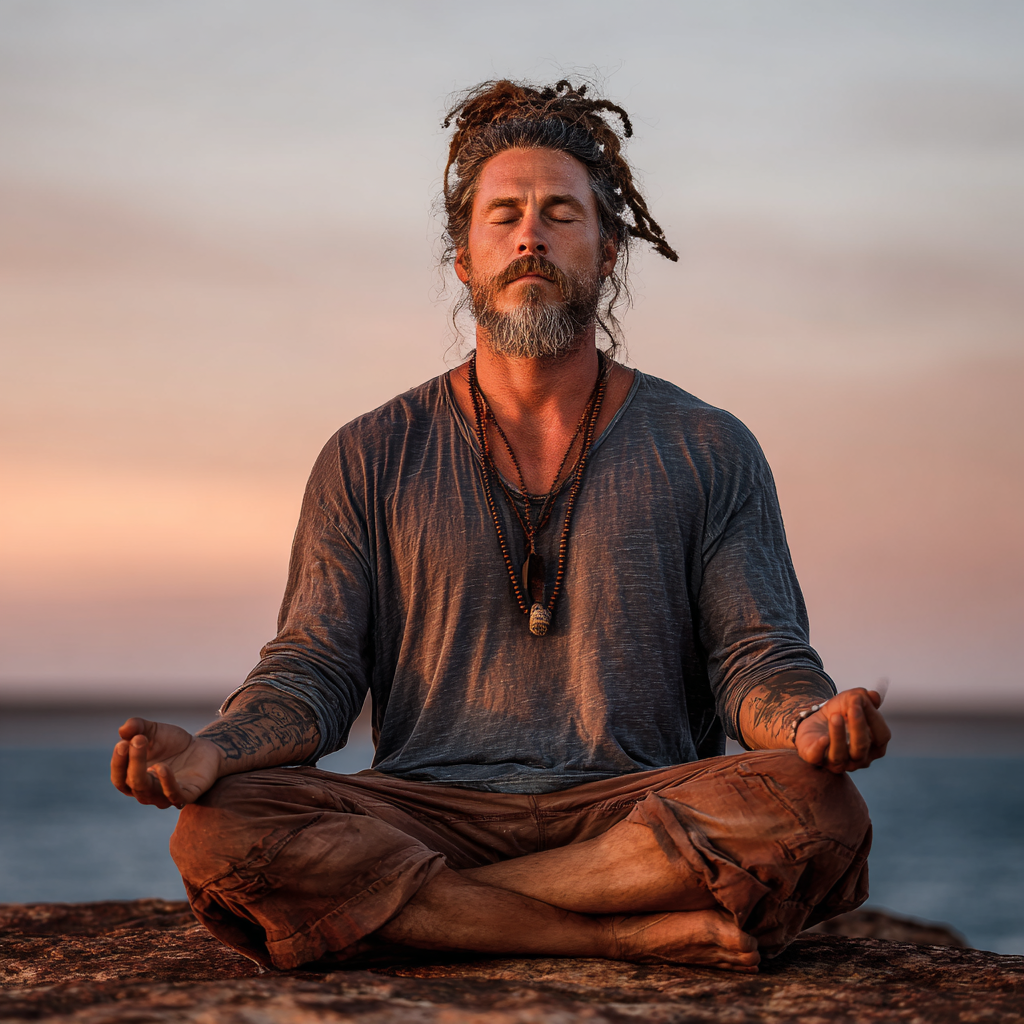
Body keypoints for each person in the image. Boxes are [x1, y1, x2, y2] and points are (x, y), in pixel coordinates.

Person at [111, 80, 889, 974]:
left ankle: (450, 914)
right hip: (429, 807)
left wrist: (811, 722)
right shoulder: (370, 453)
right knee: (219, 830)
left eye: (562, 213)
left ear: (607, 255)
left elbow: (759, 656)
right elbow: (314, 669)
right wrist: (212, 752)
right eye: (504, 216)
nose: (531, 235)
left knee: (818, 806)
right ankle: (624, 932)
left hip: (632, 810)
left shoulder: (707, 446)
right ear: (463, 259)